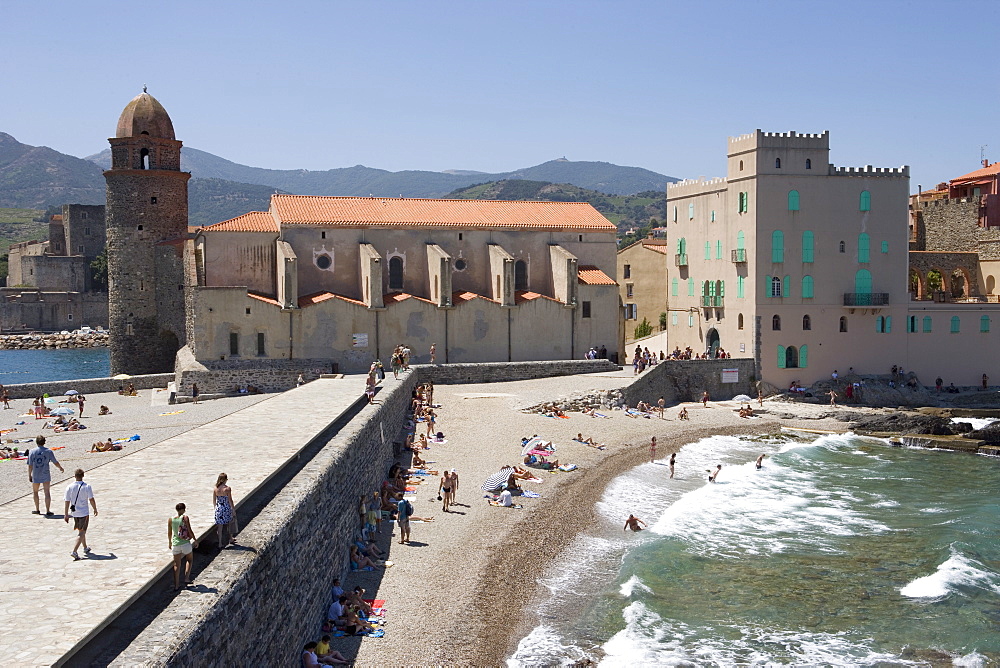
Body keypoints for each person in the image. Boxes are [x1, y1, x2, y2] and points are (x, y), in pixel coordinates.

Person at [65, 469, 98, 560]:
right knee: (82, 532)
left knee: (81, 530)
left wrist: (66, 514)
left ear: (75, 476)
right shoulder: (87, 486)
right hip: (84, 513)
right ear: (83, 476)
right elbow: (91, 499)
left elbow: (67, 501)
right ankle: (74, 551)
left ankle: (85, 547)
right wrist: (95, 508)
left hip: (75, 513)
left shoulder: (69, 487)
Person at [28, 434, 64, 515]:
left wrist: (29, 475)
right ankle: (48, 510)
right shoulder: (48, 451)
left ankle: (37, 509)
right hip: (45, 473)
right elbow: (55, 462)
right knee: (47, 492)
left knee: (35, 492)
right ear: (44, 442)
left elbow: (30, 465)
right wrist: (60, 468)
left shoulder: (32, 451)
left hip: (36, 473)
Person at [168, 502, 197, 590]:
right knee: (189, 559)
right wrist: (195, 540)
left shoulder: (171, 519)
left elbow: (169, 533)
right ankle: (186, 578)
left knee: (176, 565)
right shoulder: (185, 518)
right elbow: (189, 529)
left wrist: (170, 542)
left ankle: (176, 585)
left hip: (175, 544)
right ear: (183, 509)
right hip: (185, 543)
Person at [213, 473, 238, 548]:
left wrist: (215, 508)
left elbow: (214, 500)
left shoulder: (215, 488)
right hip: (226, 507)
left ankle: (220, 543)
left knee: (219, 527)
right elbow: (230, 500)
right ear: (225, 480)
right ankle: (230, 538)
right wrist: (233, 509)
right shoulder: (227, 489)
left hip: (219, 508)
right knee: (229, 523)